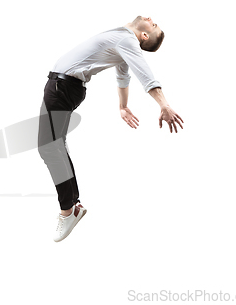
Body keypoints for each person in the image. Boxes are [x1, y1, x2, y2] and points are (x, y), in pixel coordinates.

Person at [38, 16, 184, 242]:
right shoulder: (122, 40)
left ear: (144, 36)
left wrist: (164, 104)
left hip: (63, 86)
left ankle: (68, 210)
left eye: (153, 25)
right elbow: (123, 75)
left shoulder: (128, 42)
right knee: (54, 146)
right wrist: (123, 106)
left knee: (49, 148)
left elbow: (145, 73)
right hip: (61, 86)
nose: (150, 19)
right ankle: (72, 205)